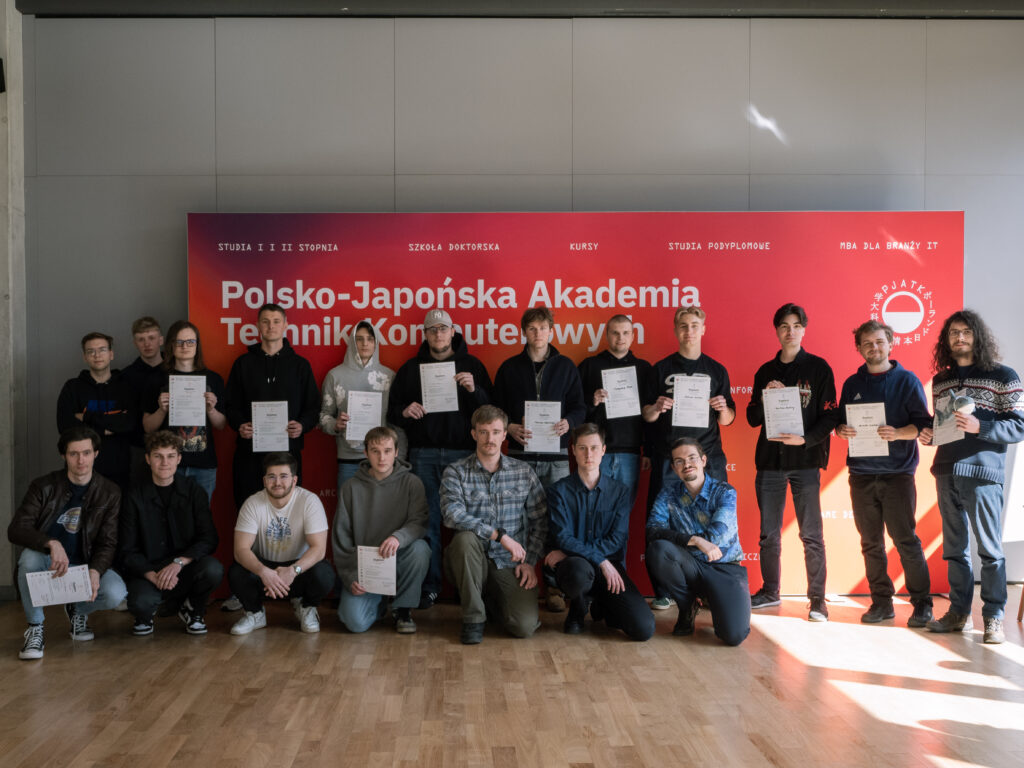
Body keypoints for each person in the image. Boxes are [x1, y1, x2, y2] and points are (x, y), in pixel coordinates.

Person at [918, 310, 1024, 644]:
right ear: (946, 341)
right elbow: (944, 426)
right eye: (953, 334)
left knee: (990, 550)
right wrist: (930, 435)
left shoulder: (1004, 376)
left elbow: (1019, 425)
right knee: (954, 550)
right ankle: (958, 613)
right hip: (946, 470)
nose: (959, 338)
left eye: (965, 332)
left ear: (977, 336)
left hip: (982, 473)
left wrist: (983, 426)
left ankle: (993, 618)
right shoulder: (941, 381)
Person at [389, 309, 492, 608]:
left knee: (469, 524)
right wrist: (405, 412)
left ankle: (469, 588)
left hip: (465, 455)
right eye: (432, 329)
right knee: (429, 522)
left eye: (443, 328)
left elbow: (491, 410)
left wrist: (475, 390)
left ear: (453, 331)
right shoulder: (410, 369)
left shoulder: (472, 366)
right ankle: (430, 586)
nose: (438, 334)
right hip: (425, 454)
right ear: (425, 334)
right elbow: (392, 412)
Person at [833, 320, 933, 627]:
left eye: (879, 342)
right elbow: (839, 423)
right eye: (867, 343)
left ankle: (922, 603)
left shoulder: (907, 380)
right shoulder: (852, 383)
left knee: (905, 539)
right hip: (861, 474)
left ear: (890, 344)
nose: (873, 347)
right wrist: (841, 430)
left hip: (897, 475)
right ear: (859, 348)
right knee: (870, 542)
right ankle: (881, 603)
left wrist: (898, 432)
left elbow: (923, 425)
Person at [746, 303, 836, 622]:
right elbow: (751, 417)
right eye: (784, 326)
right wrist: (764, 397)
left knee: (811, 533)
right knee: (769, 533)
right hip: (770, 462)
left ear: (804, 330)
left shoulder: (819, 368)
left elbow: (830, 418)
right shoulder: (765, 372)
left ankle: (817, 600)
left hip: (806, 460)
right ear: (777, 331)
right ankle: (770, 591)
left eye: (796, 325)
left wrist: (806, 439)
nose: (790, 331)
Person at [642, 307, 735, 610]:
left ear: (703, 329)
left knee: (717, 521)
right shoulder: (660, 368)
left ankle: (713, 585)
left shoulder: (716, 370)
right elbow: (646, 416)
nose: (689, 331)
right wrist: (657, 407)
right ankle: (666, 590)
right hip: (670, 459)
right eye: (683, 326)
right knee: (661, 522)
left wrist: (722, 408)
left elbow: (729, 419)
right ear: (675, 330)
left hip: (708, 456)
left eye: (695, 325)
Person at [8, 425, 127, 660]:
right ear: (64, 456)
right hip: (49, 562)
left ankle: (77, 609)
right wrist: (51, 543)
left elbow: (108, 542)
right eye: (74, 454)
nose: (81, 460)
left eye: (86, 453)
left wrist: (96, 570)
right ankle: (35, 629)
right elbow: (16, 529)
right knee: (29, 558)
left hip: (83, 565)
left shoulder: (110, 492)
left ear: (96, 454)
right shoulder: (43, 486)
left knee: (115, 593)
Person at [493, 306, 585, 612]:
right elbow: (496, 409)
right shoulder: (509, 368)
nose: (537, 334)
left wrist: (569, 423)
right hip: (518, 457)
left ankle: (555, 588)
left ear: (551, 331)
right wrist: (508, 427)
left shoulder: (566, 367)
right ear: (524, 332)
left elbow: (579, 408)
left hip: (556, 456)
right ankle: (516, 581)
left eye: (542, 328)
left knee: (556, 522)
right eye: (531, 329)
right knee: (517, 521)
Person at [441, 405, 547, 644]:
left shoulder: (523, 472)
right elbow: (451, 514)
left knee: (524, 626)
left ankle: (490, 600)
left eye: (496, 432)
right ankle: (473, 619)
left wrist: (530, 561)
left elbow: (540, 521)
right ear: (474, 434)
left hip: (509, 563)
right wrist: (499, 535)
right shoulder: (456, 472)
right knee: (465, 539)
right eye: (484, 432)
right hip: (470, 557)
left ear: (504, 435)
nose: (490, 438)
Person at [545, 423, 655, 641]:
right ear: (573, 450)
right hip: (576, 568)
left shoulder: (620, 492)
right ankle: (577, 611)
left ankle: (602, 604)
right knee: (577, 570)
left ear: (603, 450)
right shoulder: (558, 491)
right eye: (583, 448)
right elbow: (562, 536)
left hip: (609, 569)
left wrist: (595, 559)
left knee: (643, 628)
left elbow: (617, 539)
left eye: (594, 448)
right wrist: (599, 560)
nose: (588, 454)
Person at [645, 438, 751, 646]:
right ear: (674, 468)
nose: (686, 465)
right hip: (690, 566)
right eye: (679, 461)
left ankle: (715, 599)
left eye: (692, 458)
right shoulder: (668, 494)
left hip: (724, 568)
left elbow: (716, 536)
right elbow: (652, 531)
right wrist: (693, 540)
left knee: (733, 636)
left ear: (703, 460)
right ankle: (687, 605)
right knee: (659, 550)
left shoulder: (725, 492)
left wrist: (698, 542)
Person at [119, 431, 223, 636]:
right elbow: (126, 550)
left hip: (183, 567)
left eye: (170, 456)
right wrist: (151, 575)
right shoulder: (133, 496)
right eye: (158, 456)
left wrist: (179, 563)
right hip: (149, 570)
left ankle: (193, 609)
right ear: (148, 459)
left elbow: (209, 538)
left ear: (179, 459)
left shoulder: (195, 491)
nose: (164, 462)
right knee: (141, 603)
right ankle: (145, 615)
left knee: (213, 569)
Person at [332, 427, 430, 634]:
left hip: (400, 558)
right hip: (366, 569)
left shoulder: (412, 483)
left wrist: (398, 537)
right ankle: (380, 603)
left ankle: (402, 609)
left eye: (387, 450)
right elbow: (341, 537)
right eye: (375, 451)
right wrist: (350, 576)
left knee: (420, 549)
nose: (382, 457)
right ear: (366, 453)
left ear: (396, 452)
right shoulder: (350, 487)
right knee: (355, 623)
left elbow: (418, 522)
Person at [225, 303, 319, 511]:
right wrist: (239, 425)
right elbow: (230, 405)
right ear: (258, 326)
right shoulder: (243, 364)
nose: (271, 326)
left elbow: (313, 407)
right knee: (248, 510)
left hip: (287, 455)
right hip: (249, 455)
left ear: (285, 325)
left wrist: (302, 426)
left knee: (287, 513)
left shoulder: (300, 365)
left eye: (276, 321)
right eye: (265, 322)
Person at [228, 452, 334, 635]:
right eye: (272, 477)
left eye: (284, 476)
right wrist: (263, 571)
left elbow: (319, 550)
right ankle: (255, 613)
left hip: (298, 569)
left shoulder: (309, 501)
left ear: (294, 480)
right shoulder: (252, 503)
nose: (277, 482)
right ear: (264, 480)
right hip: (265, 570)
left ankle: (307, 606)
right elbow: (241, 550)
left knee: (324, 573)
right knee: (237, 571)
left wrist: (293, 571)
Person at [142, 320, 227, 501]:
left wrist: (211, 410)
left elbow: (221, 425)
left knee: (200, 520)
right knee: (167, 517)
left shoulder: (213, 379)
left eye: (190, 342)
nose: (185, 346)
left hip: (203, 464)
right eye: (179, 342)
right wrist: (161, 410)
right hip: (167, 464)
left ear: (197, 345)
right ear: (171, 345)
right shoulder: (155, 379)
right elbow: (148, 427)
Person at [577, 314, 652, 507]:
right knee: (593, 511)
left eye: (625, 333)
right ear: (607, 335)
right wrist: (592, 401)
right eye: (615, 333)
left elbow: (650, 416)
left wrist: (648, 451)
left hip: (631, 454)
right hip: (596, 453)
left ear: (633, 336)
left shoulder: (644, 369)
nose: (620, 337)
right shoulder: (589, 366)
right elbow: (575, 411)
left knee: (622, 515)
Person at [320, 319, 400, 489]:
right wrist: (336, 424)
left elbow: (397, 422)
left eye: (370, 339)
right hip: (348, 459)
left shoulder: (390, 377)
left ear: (376, 343)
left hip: (383, 460)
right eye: (359, 338)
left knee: (383, 513)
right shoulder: (335, 376)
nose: (365, 343)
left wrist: (397, 457)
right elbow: (324, 415)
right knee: (348, 512)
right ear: (352, 342)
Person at [56, 332, 135, 491]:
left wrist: (86, 417)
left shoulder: (126, 386)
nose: (97, 355)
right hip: (80, 471)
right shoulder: (72, 387)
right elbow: (65, 427)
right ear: (85, 357)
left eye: (102, 350)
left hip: (118, 470)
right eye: (91, 351)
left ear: (111, 354)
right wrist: (105, 428)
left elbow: (130, 423)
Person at [120, 317, 165, 484]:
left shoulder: (175, 370)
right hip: (138, 448)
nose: (147, 344)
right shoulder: (126, 376)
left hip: (172, 448)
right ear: (135, 343)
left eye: (151, 338)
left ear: (161, 340)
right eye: (141, 339)